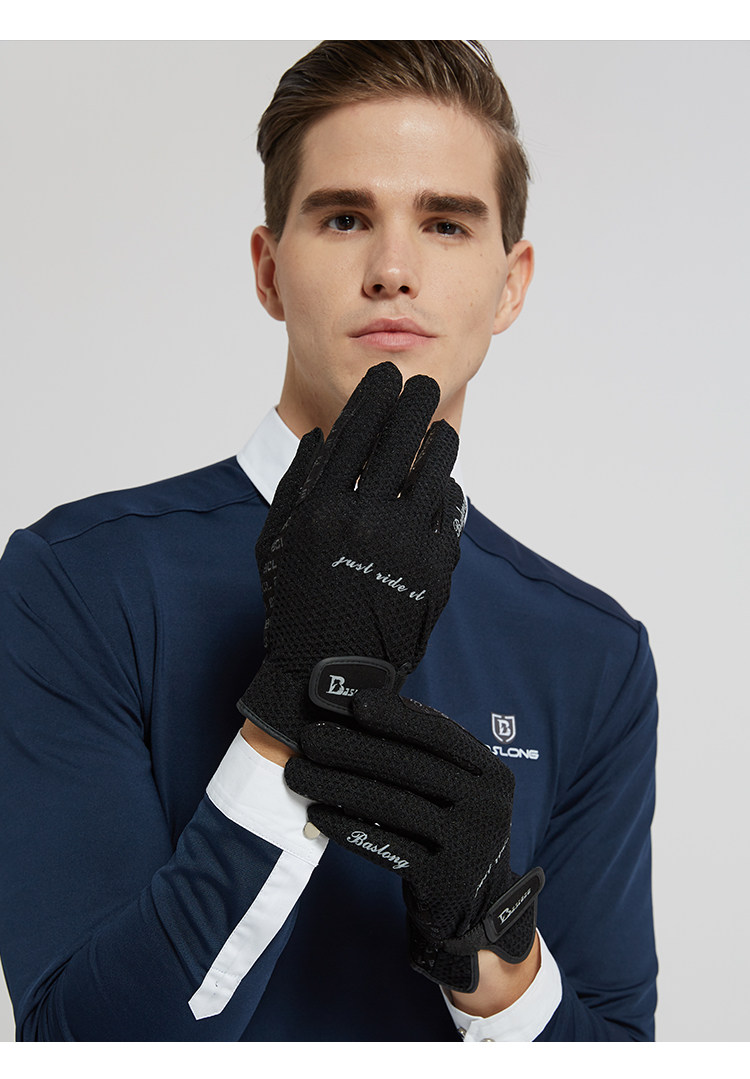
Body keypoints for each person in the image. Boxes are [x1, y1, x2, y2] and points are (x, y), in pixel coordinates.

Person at [0, 41, 658, 1041]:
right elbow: (77, 1044)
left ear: (510, 284)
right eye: (345, 217)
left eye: (445, 223)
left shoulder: (593, 652)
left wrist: (496, 959)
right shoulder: (78, 582)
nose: (392, 271)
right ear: (270, 270)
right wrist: (291, 711)